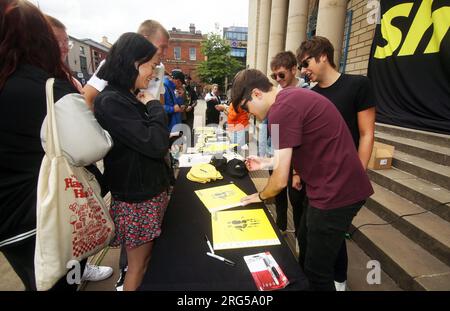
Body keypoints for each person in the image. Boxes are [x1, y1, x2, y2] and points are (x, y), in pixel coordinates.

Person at [231, 69, 374, 291]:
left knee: (317, 273)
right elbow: (284, 159)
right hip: (327, 187)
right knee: (306, 244)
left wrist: (259, 196)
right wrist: (265, 163)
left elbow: (278, 181)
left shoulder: (281, 110)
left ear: (257, 94)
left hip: (336, 193)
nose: (250, 115)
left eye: (246, 109)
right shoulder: (285, 103)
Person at [0, 0, 86, 291]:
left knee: (35, 280)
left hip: (9, 221)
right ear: (42, 40)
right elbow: (89, 146)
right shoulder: (46, 87)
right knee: (63, 284)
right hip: (46, 215)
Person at [82, 19, 170, 291]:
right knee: (137, 267)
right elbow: (154, 143)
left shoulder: (126, 96)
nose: (153, 73)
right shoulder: (112, 101)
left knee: (145, 264)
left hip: (146, 192)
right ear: (134, 63)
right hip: (137, 198)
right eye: (150, 65)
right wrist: (154, 106)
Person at [297, 36, 376, 291]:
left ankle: (339, 282)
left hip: (344, 181)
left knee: (333, 236)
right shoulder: (310, 95)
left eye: (305, 62)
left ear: (322, 56)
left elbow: (366, 134)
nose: (302, 70)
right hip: (317, 182)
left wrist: (358, 173)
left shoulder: (357, 85)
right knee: (314, 236)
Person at [46, 14, 114, 284]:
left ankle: (80, 268)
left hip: (66, 169)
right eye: (60, 42)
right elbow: (91, 143)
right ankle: (74, 274)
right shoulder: (51, 83)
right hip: (61, 173)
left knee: (73, 233)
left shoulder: (58, 76)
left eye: (67, 43)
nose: (65, 48)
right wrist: (99, 131)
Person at [83, 20, 170, 109]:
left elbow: (160, 95)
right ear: (144, 40)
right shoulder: (116, 64)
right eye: (162, 47)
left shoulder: (161, 67)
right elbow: (87, 97)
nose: (165, 53)